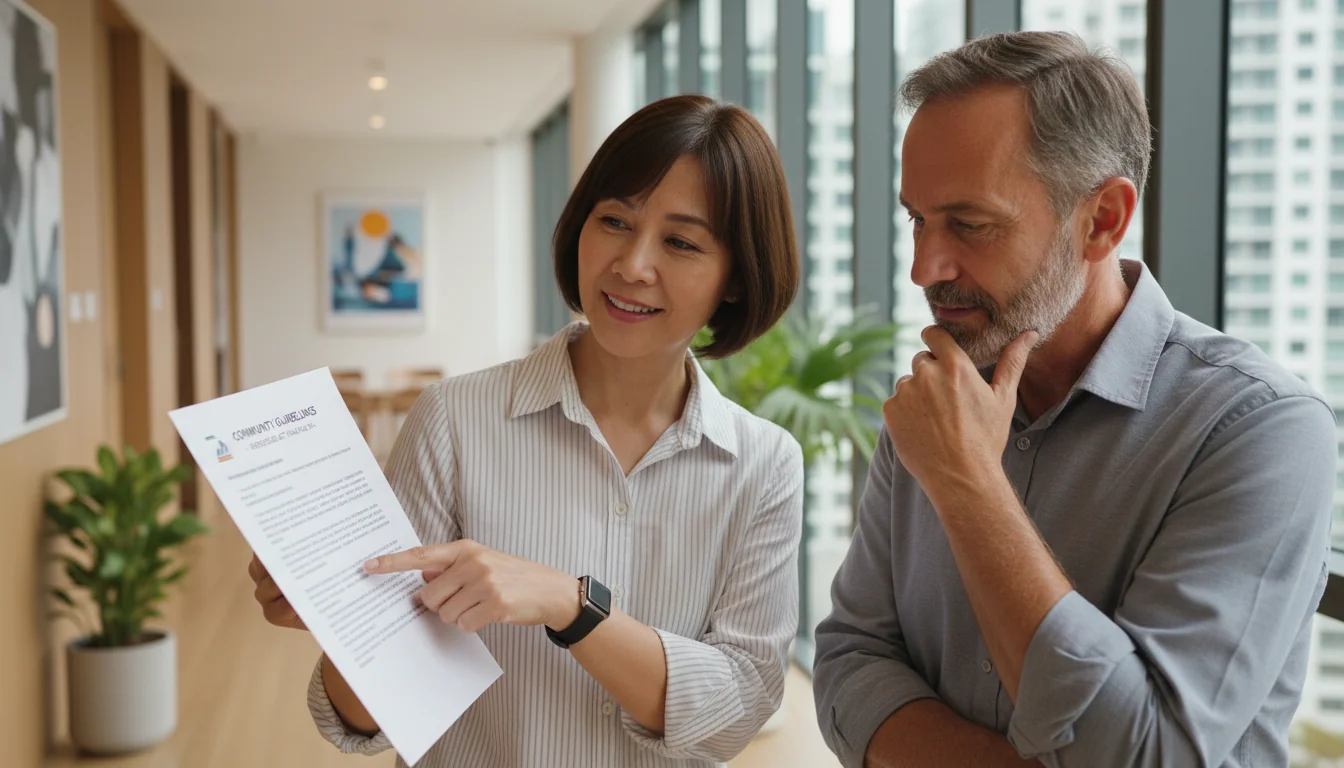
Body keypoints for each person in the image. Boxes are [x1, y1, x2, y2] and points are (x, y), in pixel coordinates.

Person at [813, 31, 1335, 768]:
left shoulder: (1260, 429)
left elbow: (1147, 753)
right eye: (917, 220)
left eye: (969, 224)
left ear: (1102, 221)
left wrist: (970, 488)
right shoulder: (940, 399)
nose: (925, 267)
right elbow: (847, 662)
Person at [248, 94, 803, 768]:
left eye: (681, 242)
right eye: (615, 221)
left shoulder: (764, 464)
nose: (632, 264)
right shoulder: (453, 419)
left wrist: (568, 604)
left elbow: (739, 706)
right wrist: (348, 622)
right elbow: (371, 718)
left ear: (737, 277)